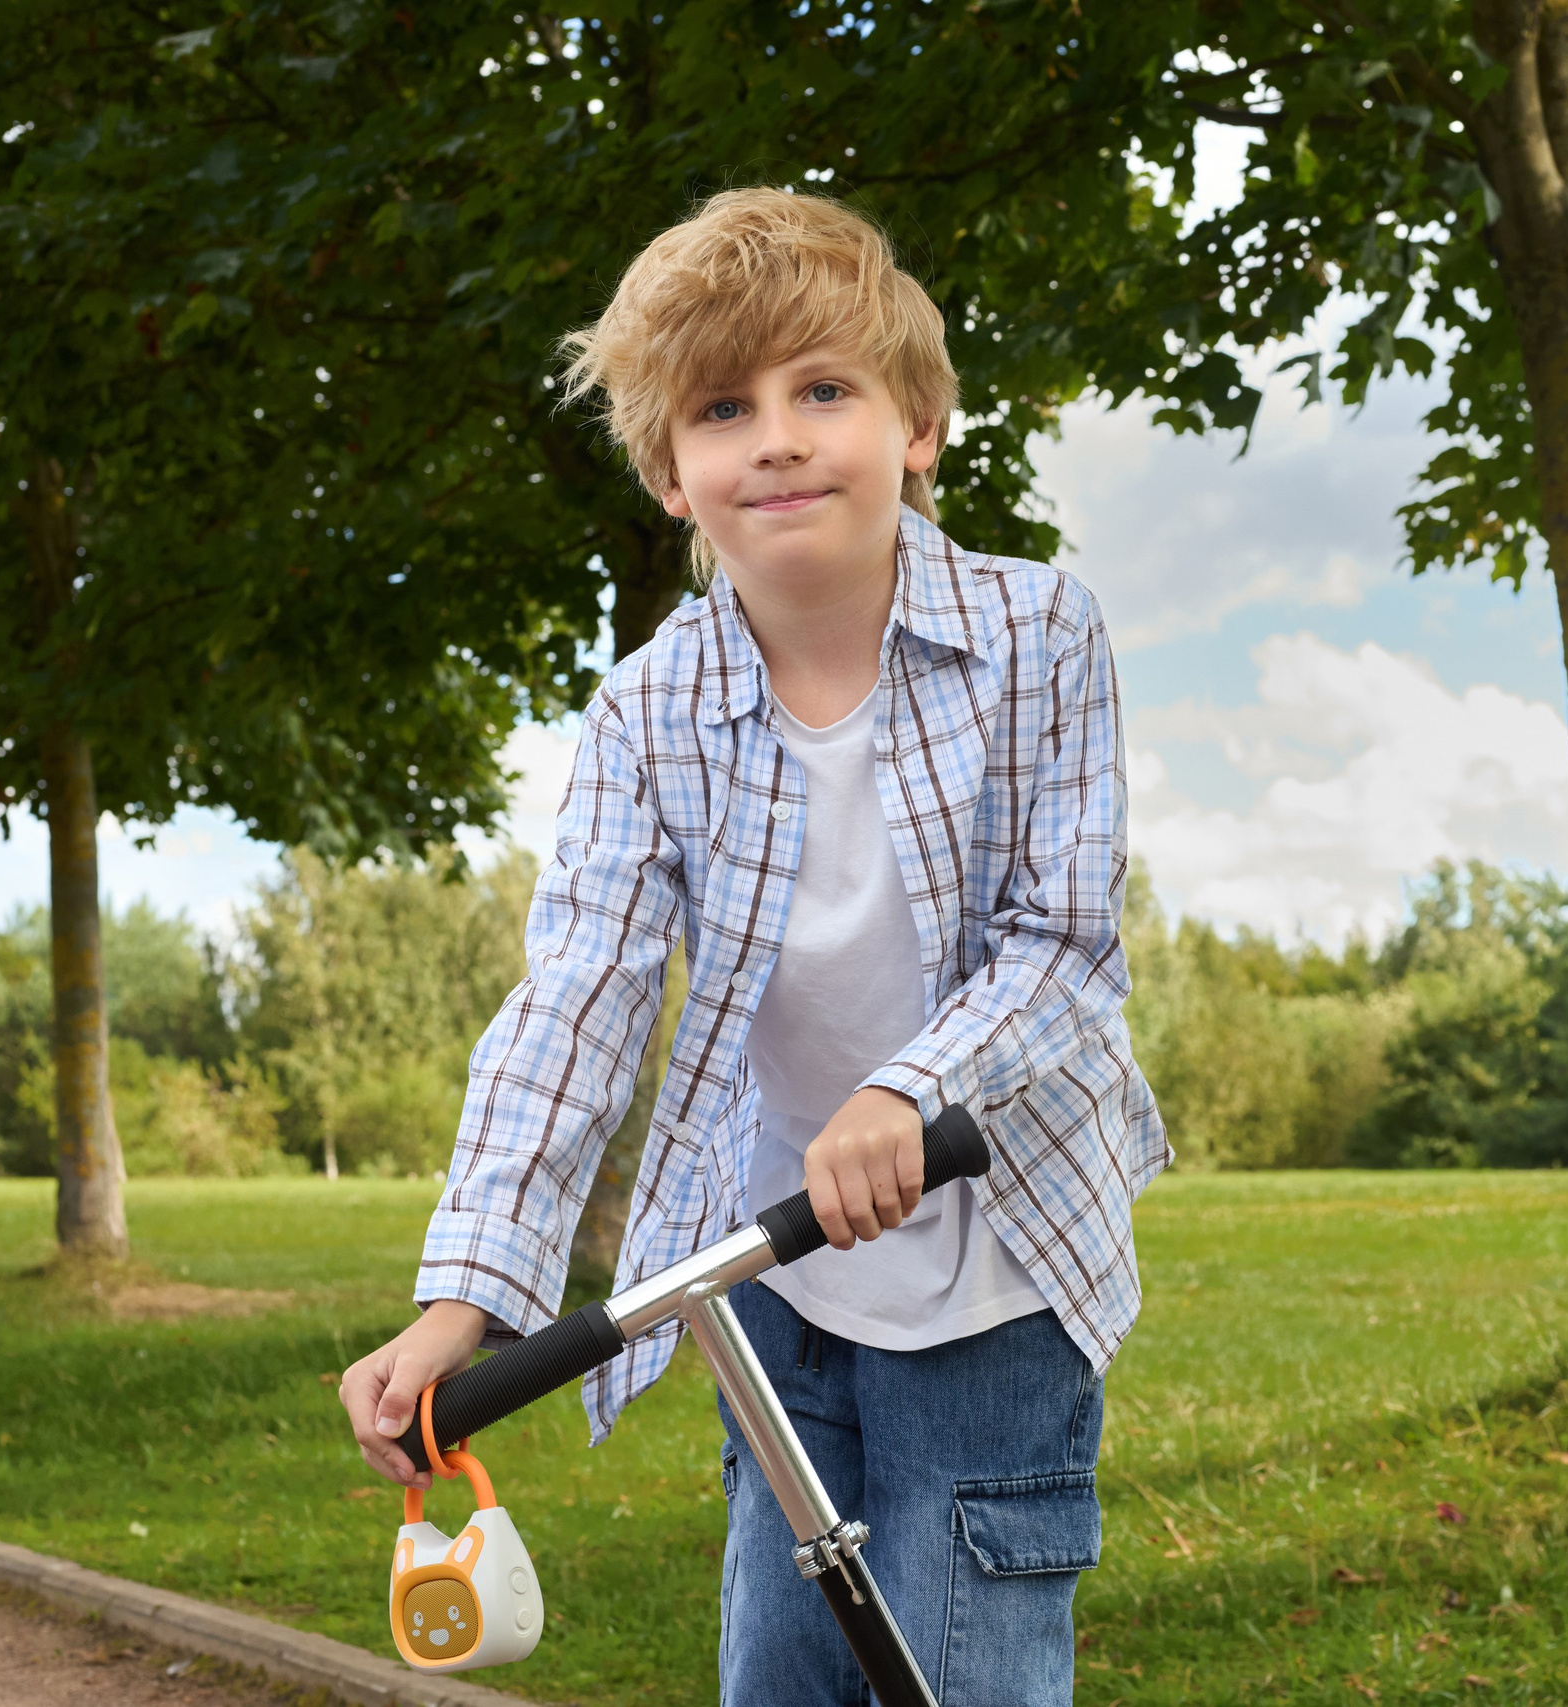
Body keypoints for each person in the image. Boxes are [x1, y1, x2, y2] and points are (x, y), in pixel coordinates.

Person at [334, 187, 1165, 1704]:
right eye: (724, 409)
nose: (776, 438)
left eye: (824, 391)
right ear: (670, 473)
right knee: (783, 1660)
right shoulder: (647, 711)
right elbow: (575, 999)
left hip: (1000, 1249)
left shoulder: (1042, 635)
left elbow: (1064, 945)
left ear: (917, 427)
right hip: (767, 1269)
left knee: (958, 1652)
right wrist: (469, 1296)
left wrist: (908, 1092)